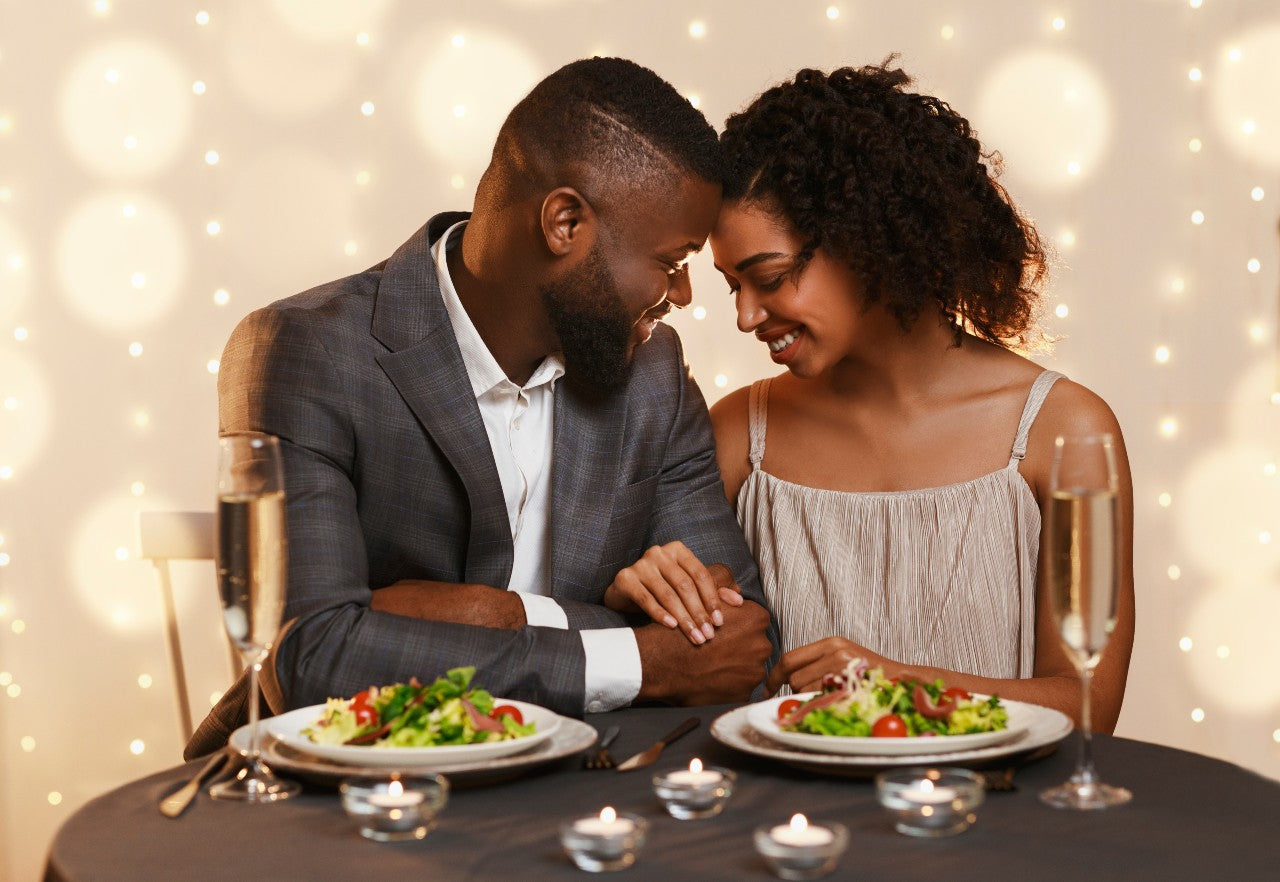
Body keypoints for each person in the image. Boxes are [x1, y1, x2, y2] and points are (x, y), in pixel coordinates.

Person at [186, 57, 775, 758]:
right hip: (346, 797)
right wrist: (638, 658)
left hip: (582, 790)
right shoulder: (305, 350)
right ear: (564, 223)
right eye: (671, 262)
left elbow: (738, 645)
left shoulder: (653, 374)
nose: (680, 296)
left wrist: (498, 615)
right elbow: (311, 659)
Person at [649, 60, 1133, 732]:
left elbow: (1088, 710)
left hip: (995, 827)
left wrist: (895, 685)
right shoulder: (738, 435)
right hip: (790, 828)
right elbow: (701, 672)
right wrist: (645, 594)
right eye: (735, 286)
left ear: (865, 239)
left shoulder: (1065, 430)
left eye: (772, 277)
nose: (747, 317)